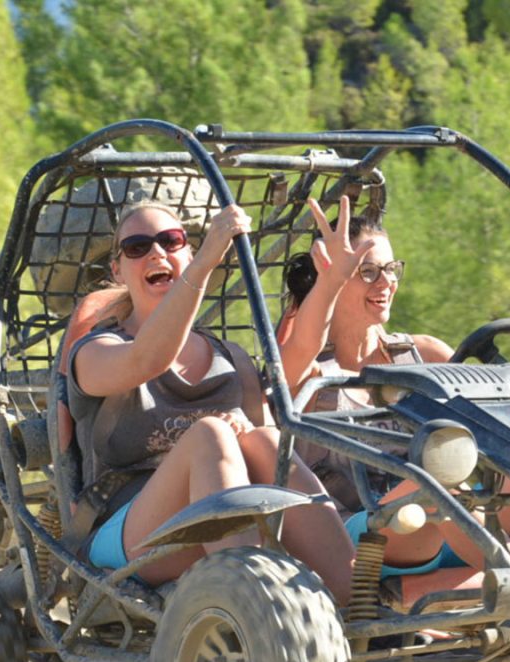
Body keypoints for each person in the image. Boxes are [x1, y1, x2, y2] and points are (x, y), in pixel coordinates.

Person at [277, 197, 510, 603]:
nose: (385, 283)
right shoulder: (311, 367)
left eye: (391, 269)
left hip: (453, 523)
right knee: (430, 487)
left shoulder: (424, 354)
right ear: (333, 277)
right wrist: (329, 282)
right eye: (366, 272)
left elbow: (501, 414)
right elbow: (291, 360)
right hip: (367, 532)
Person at [65, 200, 356, 605]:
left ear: (185, 250)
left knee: (267, 441)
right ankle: (261, 607)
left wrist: (332, 283)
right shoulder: (96, 351)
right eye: (137, 247)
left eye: (171, 241)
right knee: (211, 436)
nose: (156, 253)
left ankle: (357, 606)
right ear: (117, 270)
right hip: (127, 535)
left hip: (223, 534)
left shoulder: (230, 357)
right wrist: (204, 264)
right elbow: (147, 359)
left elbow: (285, 389)